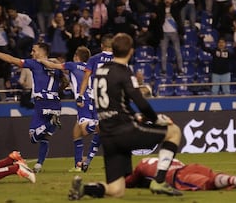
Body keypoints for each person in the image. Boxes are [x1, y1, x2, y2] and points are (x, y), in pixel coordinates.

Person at [68, 33, 183, 201]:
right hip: (124, 131)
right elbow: (140, 102)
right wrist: (156, 119)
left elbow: (116, 103)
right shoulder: (125, 72)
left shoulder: (100, 72)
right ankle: (159, 181)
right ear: (131, 51)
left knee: (117, 189)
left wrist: (135, 116)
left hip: (108, 135)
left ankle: (83, 188)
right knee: (174, 131)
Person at [0, 42, 62, 173]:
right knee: (44, 138)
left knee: (33, 136)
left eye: (34, 50)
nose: (32, 53)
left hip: (42, 103)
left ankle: (51, 123)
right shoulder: (57, 66)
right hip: (56, 104)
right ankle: (39, 165)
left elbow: (11, 59)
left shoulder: (35, 63)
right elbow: (65, 82)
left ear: (42, 52)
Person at [37, 46, 99, 172]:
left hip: (83, 101)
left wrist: (41, 60)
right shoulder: (89, 67)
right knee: (76, 133)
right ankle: (78, 165)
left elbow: (54, 66)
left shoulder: (72, 65)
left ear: (76, 56)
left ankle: (99, 124)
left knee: (85, 130)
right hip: (93, 100)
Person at [76, 33, 113, 172]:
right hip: (111, 100)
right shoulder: (119, 59)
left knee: (102, 131)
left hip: (95, 98)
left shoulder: (93, 59)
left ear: (102, 45)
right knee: (105, 130)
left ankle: (88, 161)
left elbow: (86, 77)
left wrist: (80, 95)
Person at [125, 157, 236, 191]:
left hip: (177, 176)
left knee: (208, 183)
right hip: (190, 166)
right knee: (213, 175)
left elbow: (129, 182)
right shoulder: (171, 158)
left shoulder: (143, 164)